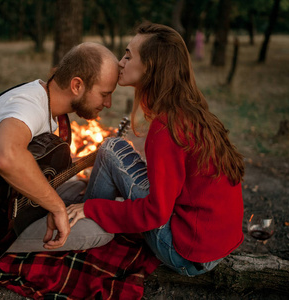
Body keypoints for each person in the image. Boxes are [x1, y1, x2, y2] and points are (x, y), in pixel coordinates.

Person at [67, 22, 245, 276]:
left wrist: (91, 209)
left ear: (150, 68)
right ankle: (86, 214)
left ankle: (80, 224)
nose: (120, 62)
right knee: (114, 147)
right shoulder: (191, 109)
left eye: (128, 56)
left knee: (110, 150)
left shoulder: (167, 127)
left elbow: (156, 213)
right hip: (216, 243)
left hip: (185, 253)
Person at [0, 42, 118, 252]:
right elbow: (4, 156)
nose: (109, 103)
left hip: (16, 201)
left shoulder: (46, 101)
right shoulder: (28, 105)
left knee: (81, 189)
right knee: (101, 229)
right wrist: (57, 207)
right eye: (105, 94)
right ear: (77, 86)